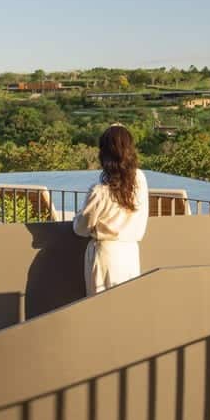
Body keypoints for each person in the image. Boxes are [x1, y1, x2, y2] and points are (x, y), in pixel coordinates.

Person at [73, 124, 150, 295]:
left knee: (100, 309)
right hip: (130, 254)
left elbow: (80, 228)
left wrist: (79, 215)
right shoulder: (140, 180)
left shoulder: (100, 191)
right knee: (126, 308)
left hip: (105, 255)